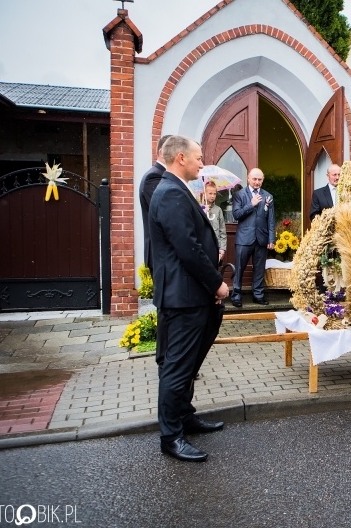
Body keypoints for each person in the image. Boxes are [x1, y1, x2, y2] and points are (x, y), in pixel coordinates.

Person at [149, 135, 230, 462]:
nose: (202, 162)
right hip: (183, 297)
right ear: (180, 157)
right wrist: (217, 284)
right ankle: (171, 437)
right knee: (177, 368)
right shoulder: (170, 193)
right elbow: (188, 249)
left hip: (190, 295)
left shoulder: (178, 190)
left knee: (188, 363)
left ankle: (185, 417)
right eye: (198, 157)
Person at [231, 167, 275, 307]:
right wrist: (251, 204)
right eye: (254, 179)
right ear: (248, 179)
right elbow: (236, 215)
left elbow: (271, 220)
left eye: (260, 179)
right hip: (244, 238)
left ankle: (258, 295)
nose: (257, 182)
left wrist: (271, 239)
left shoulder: (268, 196)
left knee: (259, 269)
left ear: (263, 180)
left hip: (261, 239)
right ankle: (236, 295)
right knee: (239, 268)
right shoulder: (239, 195)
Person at [139, 134, 172, 270]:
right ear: (161, 153)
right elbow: (165, 214)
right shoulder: (154, 177)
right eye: (171, 151)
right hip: (160, 253)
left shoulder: (162, 175)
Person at [203, 181, 227, 263]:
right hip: (202, 246)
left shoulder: (218, 210)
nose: (213, 196)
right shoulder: (199, 208)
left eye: (214, 194)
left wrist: (222, 248)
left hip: (215, 246)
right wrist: (203, 210)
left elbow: (222, 230)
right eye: (210, 193)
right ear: (204, 193)